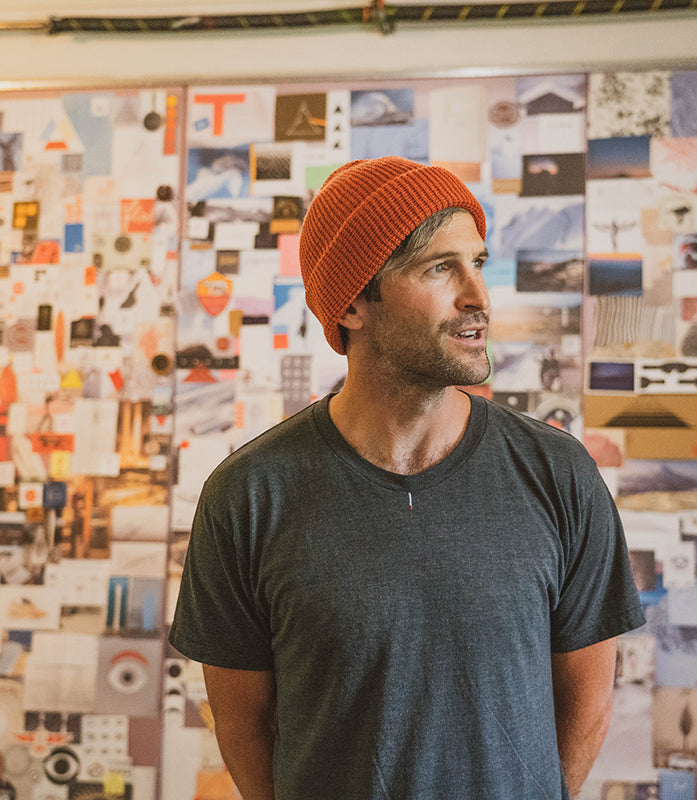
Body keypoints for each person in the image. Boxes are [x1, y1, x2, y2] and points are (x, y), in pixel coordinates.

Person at [169, 156, 646, 800]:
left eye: (477, 263)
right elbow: (244, 725)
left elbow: (586, 705)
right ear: (354, 302)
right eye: (440, 268)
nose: (478, 297)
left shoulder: (558, 475)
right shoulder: (249, 496)